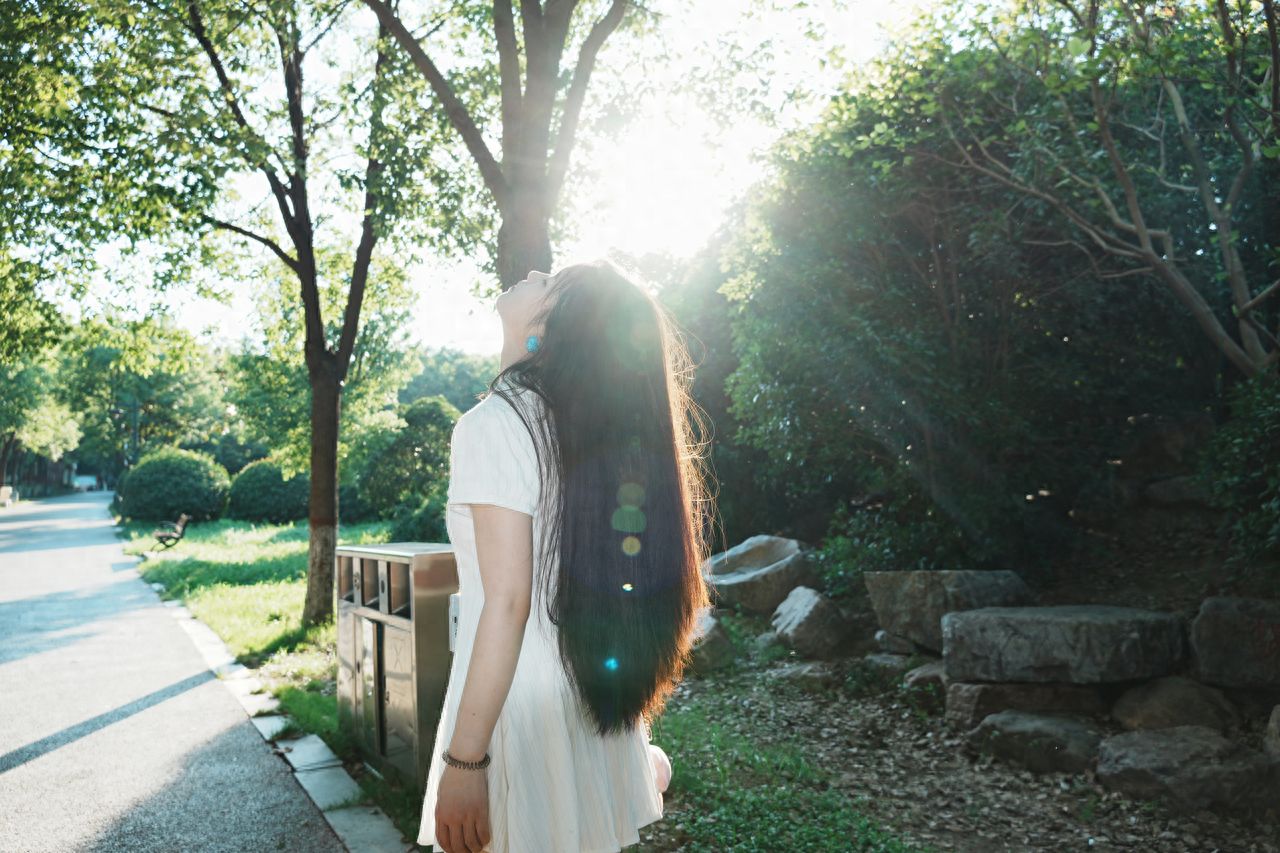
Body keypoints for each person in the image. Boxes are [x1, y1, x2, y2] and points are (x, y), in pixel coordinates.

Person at [417, 259, 715, 853]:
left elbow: (506, 603)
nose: (531, 271)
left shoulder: (494, 425)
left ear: (552, 327)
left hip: (514, 719)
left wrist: (466, 762)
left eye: (549, 281)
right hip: (580, 705)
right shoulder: (572, 433)